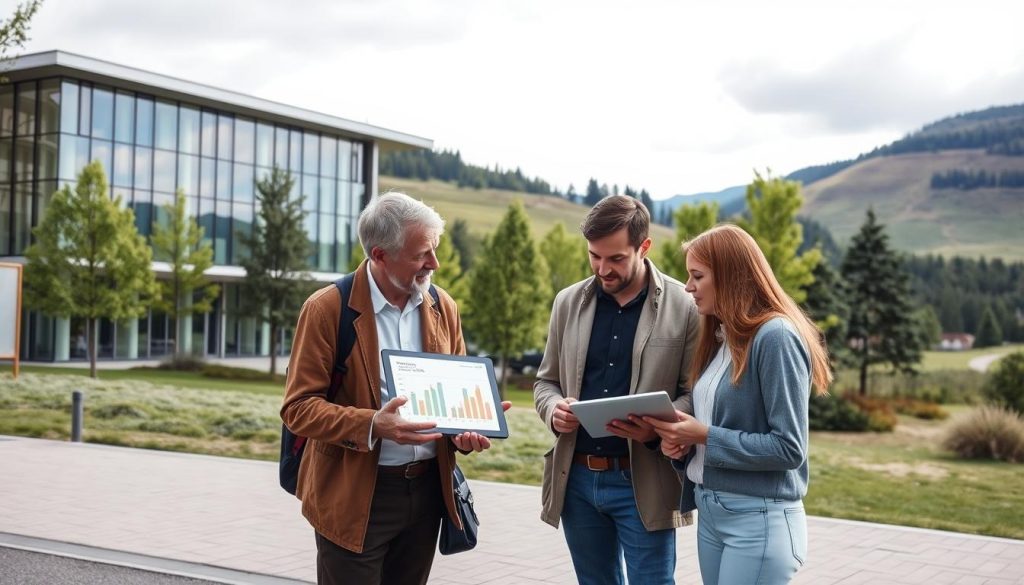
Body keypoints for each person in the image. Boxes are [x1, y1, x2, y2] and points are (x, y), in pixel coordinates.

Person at [281, 192, 507, 585]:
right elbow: (298, 408)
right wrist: (374, 424)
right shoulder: (326, 309)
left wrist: (466, 432)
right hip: (354, 496)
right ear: (379, 254)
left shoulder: (443, 306)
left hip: (426, 495)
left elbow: (451, 403)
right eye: (422, 254)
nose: (434, 263)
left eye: (434, 250)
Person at [643, 224, 833, 585]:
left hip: (758, 520)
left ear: (731, 276)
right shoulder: (720, 338)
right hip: (712, 514)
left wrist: (704, 436)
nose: (688, 287)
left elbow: (789, 448)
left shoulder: (776, 337)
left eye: (697, 276)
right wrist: (682, 445)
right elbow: (717, 429)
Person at [534, 195, 700, 585]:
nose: (602, 269)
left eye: (616, 259)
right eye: (594, 256)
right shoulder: (567, 302)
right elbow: (545, 381)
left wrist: (657, 429)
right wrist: (553, 408)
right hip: (576, 480)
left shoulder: (686, 306)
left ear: (644, 247)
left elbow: (696, 393)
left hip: (644, 481)